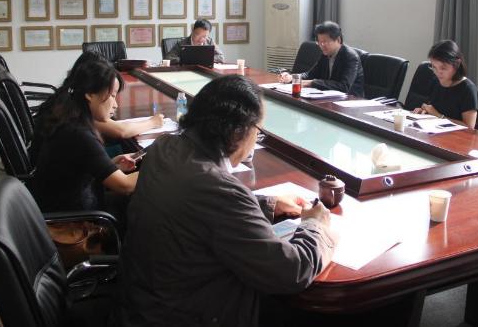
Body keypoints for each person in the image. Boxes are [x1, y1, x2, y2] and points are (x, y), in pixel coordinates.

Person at [117, 75, 337, 327]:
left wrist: (267, 204)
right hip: (184, 314)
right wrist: (315, 226)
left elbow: (197, 207)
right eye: (258, 131)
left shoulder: (164, 147)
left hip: (140, 303)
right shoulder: (221, 191)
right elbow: (291, 272)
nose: (256, 139)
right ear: (238, 132)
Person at [30, 57, 140, 214]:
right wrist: (157, 169)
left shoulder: (69, 116)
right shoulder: (79, 134)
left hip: (65, 204)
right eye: (112, 95)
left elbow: (76, 169)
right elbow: (125, 186)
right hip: (73, 220)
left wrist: (112, 166)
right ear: (90, 94)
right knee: (142, 203)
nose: (115, 105)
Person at [69, 51, 165, 140]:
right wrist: (153, 122)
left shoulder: (70, 96)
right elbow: (122, 131)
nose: (115, 105)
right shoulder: (78, 113)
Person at [279, 21, 365, 97]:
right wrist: (292, 77)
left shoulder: (350, 57)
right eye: (319, 42)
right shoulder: (325, 54)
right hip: (329, 97)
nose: (321, 45)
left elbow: (344, 86)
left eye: (325, 42)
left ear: (338, 40)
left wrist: (312, 83)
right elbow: (310, 74)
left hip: (350, 100)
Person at [413, 40, 478, 129]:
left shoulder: (468, 89)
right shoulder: (435, 82)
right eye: (434, 67)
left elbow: (469, 128)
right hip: (434, 132)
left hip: (456, 137)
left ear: (457, 64)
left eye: (443, 68)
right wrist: (424, 112)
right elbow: (433, 110)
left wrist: (439, 116)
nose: (438, 72)